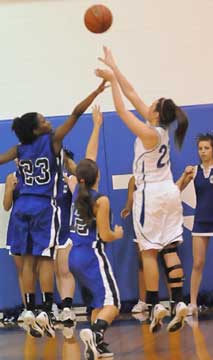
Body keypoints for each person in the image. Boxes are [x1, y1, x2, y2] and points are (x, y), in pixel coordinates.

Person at [0, 80, 107, 338]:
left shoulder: (19, 148)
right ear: (38, 130)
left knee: (27, 261)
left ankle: (29, 309)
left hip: (20, 206)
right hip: (42, 207)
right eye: (43, 120)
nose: (48, 121)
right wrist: (96, 90)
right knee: (45, 257)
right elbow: (76, 114)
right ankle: (46, 311)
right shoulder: (52, 141)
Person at [95, 46, 189, 333]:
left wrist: (111, 82)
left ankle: (153, 304)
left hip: (151, 195)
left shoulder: (149, 133)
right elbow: (132, 92)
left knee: (148, 252)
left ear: (156, 112)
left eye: (153, 103)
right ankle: (178, 302)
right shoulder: (161, 129)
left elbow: (123, 108)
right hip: (170, 193)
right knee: (169, 247)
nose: (147, 103)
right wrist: (115, 66)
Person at [68, 105, 123, 359]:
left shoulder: (77, 190)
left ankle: (95, 346)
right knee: (113, 304)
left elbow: (88, 159)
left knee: (95, 303)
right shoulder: (101, 200)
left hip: (74, 256)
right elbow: (105, 235)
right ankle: (97, 333)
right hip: (92, 256)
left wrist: (97, 126)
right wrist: (119, 233)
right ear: (97, 175)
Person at [177, 133, 213, 315]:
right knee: (198, 263)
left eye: (207, 148)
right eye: (200, 148)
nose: (203, 152)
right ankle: (192, 303)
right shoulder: (195, 171)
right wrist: (184, 175)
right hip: (201, 221)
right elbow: (175, 190)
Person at [120, 175, 147, 313]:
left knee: (166, 261)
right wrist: (127, 208)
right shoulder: (135, 178)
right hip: (142, 224)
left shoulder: (162, 174)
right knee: (143, 264)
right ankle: (143, 301)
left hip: (159, 223)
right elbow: (130, 199)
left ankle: (175, 301)